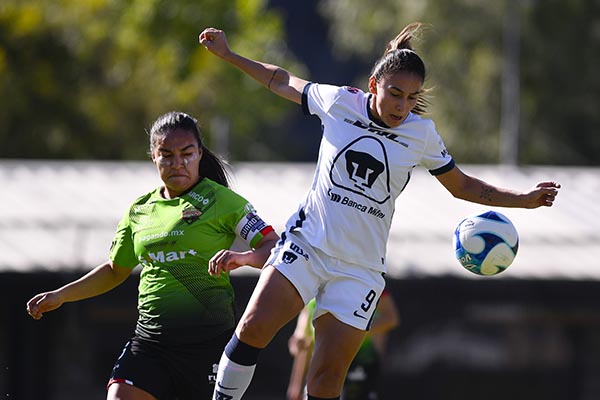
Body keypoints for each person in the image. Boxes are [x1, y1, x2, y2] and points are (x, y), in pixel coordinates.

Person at [199, 23, 561, 400]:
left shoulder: (421, 134)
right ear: (374, 85)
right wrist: (228, 55)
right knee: (253, 328)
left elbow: (463, 186)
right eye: (395, 94)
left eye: (411, 97)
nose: (402, 106)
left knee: (325, 380)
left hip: (360, 270)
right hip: (307, 246)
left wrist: (523, 199)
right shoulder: (339, 103)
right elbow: (282, 80)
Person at [26, 111, 279, 400]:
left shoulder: (222, 201)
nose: (177, 163)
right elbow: (114, 270)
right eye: (166, 155)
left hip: (207, 343)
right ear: (153, 157)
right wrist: (61, 295)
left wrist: (243, 258)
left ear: (199, 153)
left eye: (186, 153)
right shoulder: (139, 210)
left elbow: (273, 246)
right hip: (151, 343)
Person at [287, 290, 399, 400]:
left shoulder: (365, 284)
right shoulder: (312, 300)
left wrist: (353, 330)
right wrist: (296, 384)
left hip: (359, 363)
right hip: (322, 365)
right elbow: (303, 344)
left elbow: (390, 318)